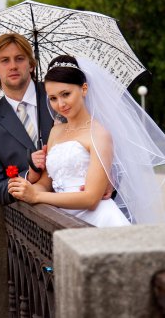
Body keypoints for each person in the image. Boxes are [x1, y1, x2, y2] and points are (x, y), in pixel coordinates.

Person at [8, 55, 165, 227]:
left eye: (66, 94)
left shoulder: (99, 134)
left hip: (98, 220)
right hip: (62, 218)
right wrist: (26, 188)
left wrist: (36, 196)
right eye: (53, 98)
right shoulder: (55, 131)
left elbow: (91, 198)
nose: (60, 104)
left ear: (83, 89)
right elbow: (46, 183)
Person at [0, 33, 53, 205]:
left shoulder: (58, 96)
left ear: (31, 65)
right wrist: (28, 175)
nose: (13, 66)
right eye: (5, 60)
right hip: (38, 222)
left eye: (19, 58)